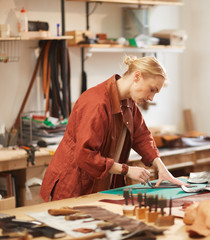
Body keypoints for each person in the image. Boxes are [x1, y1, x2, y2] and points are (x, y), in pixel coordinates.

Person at [40, 56, 186, 201]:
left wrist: (161, 168)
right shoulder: (96, 103)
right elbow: (85, 155)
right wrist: (126, 170)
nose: (151, 98)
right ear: (137, 76)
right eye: (152, 89)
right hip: (73, 186)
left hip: (100, 185)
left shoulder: (129, 103)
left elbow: (142, 137)